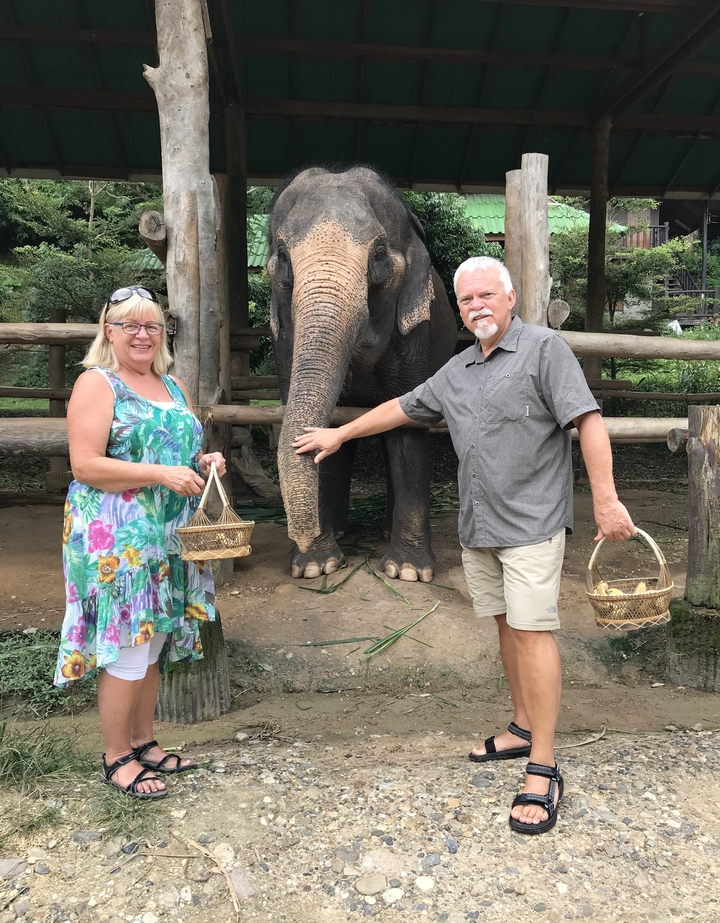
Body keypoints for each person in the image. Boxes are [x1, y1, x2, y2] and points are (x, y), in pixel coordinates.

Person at [292, 256, 635, 834]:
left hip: (531, 524)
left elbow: (588, 420)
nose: (477, 306)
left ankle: (544, 764)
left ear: (511, 297)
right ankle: (523, 724)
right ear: (459, 309)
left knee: (532, 632)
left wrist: (606, 500)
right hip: (480, 527)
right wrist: (341, 431)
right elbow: (400, 407)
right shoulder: (458, 370)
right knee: (506, 627)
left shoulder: (545, 350)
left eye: (486, 295)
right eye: (467, 299)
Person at [54, 285, 226, 800]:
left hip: (166, 534)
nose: (142, 334)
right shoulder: (97, 383)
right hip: (117, 536)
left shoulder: (173, 387)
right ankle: (115, 758)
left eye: (152, 325)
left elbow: (181, 452)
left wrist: (203, 464)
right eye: (129, 325)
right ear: (109, 332)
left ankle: (143, 742)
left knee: (151, 645)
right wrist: (160, 474)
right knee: (129, 648)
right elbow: (85, 464)